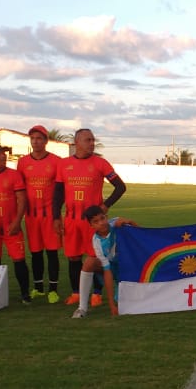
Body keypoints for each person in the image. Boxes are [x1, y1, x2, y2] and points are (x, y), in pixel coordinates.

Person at [53, 128, 127, 306]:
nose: (92, 143)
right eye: (88, 140)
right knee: (73, 257)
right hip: (71, 219)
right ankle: (76, 293)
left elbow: (120, 187)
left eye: (93, 140)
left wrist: (106, 205)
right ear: (77, 142)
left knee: (95, 258)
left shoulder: (100, 163)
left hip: (92, 223)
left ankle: (96, 293)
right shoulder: (63, 165)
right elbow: (58, 194)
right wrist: (56, 217)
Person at [17, 125, 63, 303]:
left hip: (50, 216)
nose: (35, 142)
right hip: (31, 216)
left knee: (52, 253)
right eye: (33, 139)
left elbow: (61, 190)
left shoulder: (56, 161)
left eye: (39, 138)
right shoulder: (22, 162)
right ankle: (38, 288)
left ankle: (53, 290)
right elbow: (19, 189)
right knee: (35, 253)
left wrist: (57, 213)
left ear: (45, 141)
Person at [0, 143, 31, 303]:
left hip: (11, 226)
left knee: (19, 259)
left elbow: (22, 200)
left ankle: (25, 294)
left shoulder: (14, 175)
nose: (3, 156)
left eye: (3, 153)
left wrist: (17, 221)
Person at [72, 205, 137, 319]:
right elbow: (107, 271)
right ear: (91, 225)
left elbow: (139, 235)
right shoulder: (96, 242)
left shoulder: (116, 224)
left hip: (130, 267)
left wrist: (129, 222)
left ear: (106, 217)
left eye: (102, 218)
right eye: (96, 221)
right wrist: (111, 305)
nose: (101, 223)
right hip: (114, 270)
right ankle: (82, 308)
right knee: (89, 262)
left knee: (131, 300)